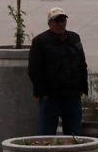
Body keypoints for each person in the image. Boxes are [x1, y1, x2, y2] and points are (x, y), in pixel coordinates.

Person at [27, 8, 88, 136]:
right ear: (50, 23)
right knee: (47, 134)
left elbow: (82, 63)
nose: (60, 23)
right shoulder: (40, 41)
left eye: (63, 20)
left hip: (72, 95)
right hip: (51, 97)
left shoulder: (74, 38)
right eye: (57, 20)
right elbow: (34, 70)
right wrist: (40, 92)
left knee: (75, 134)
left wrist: (82, 87)